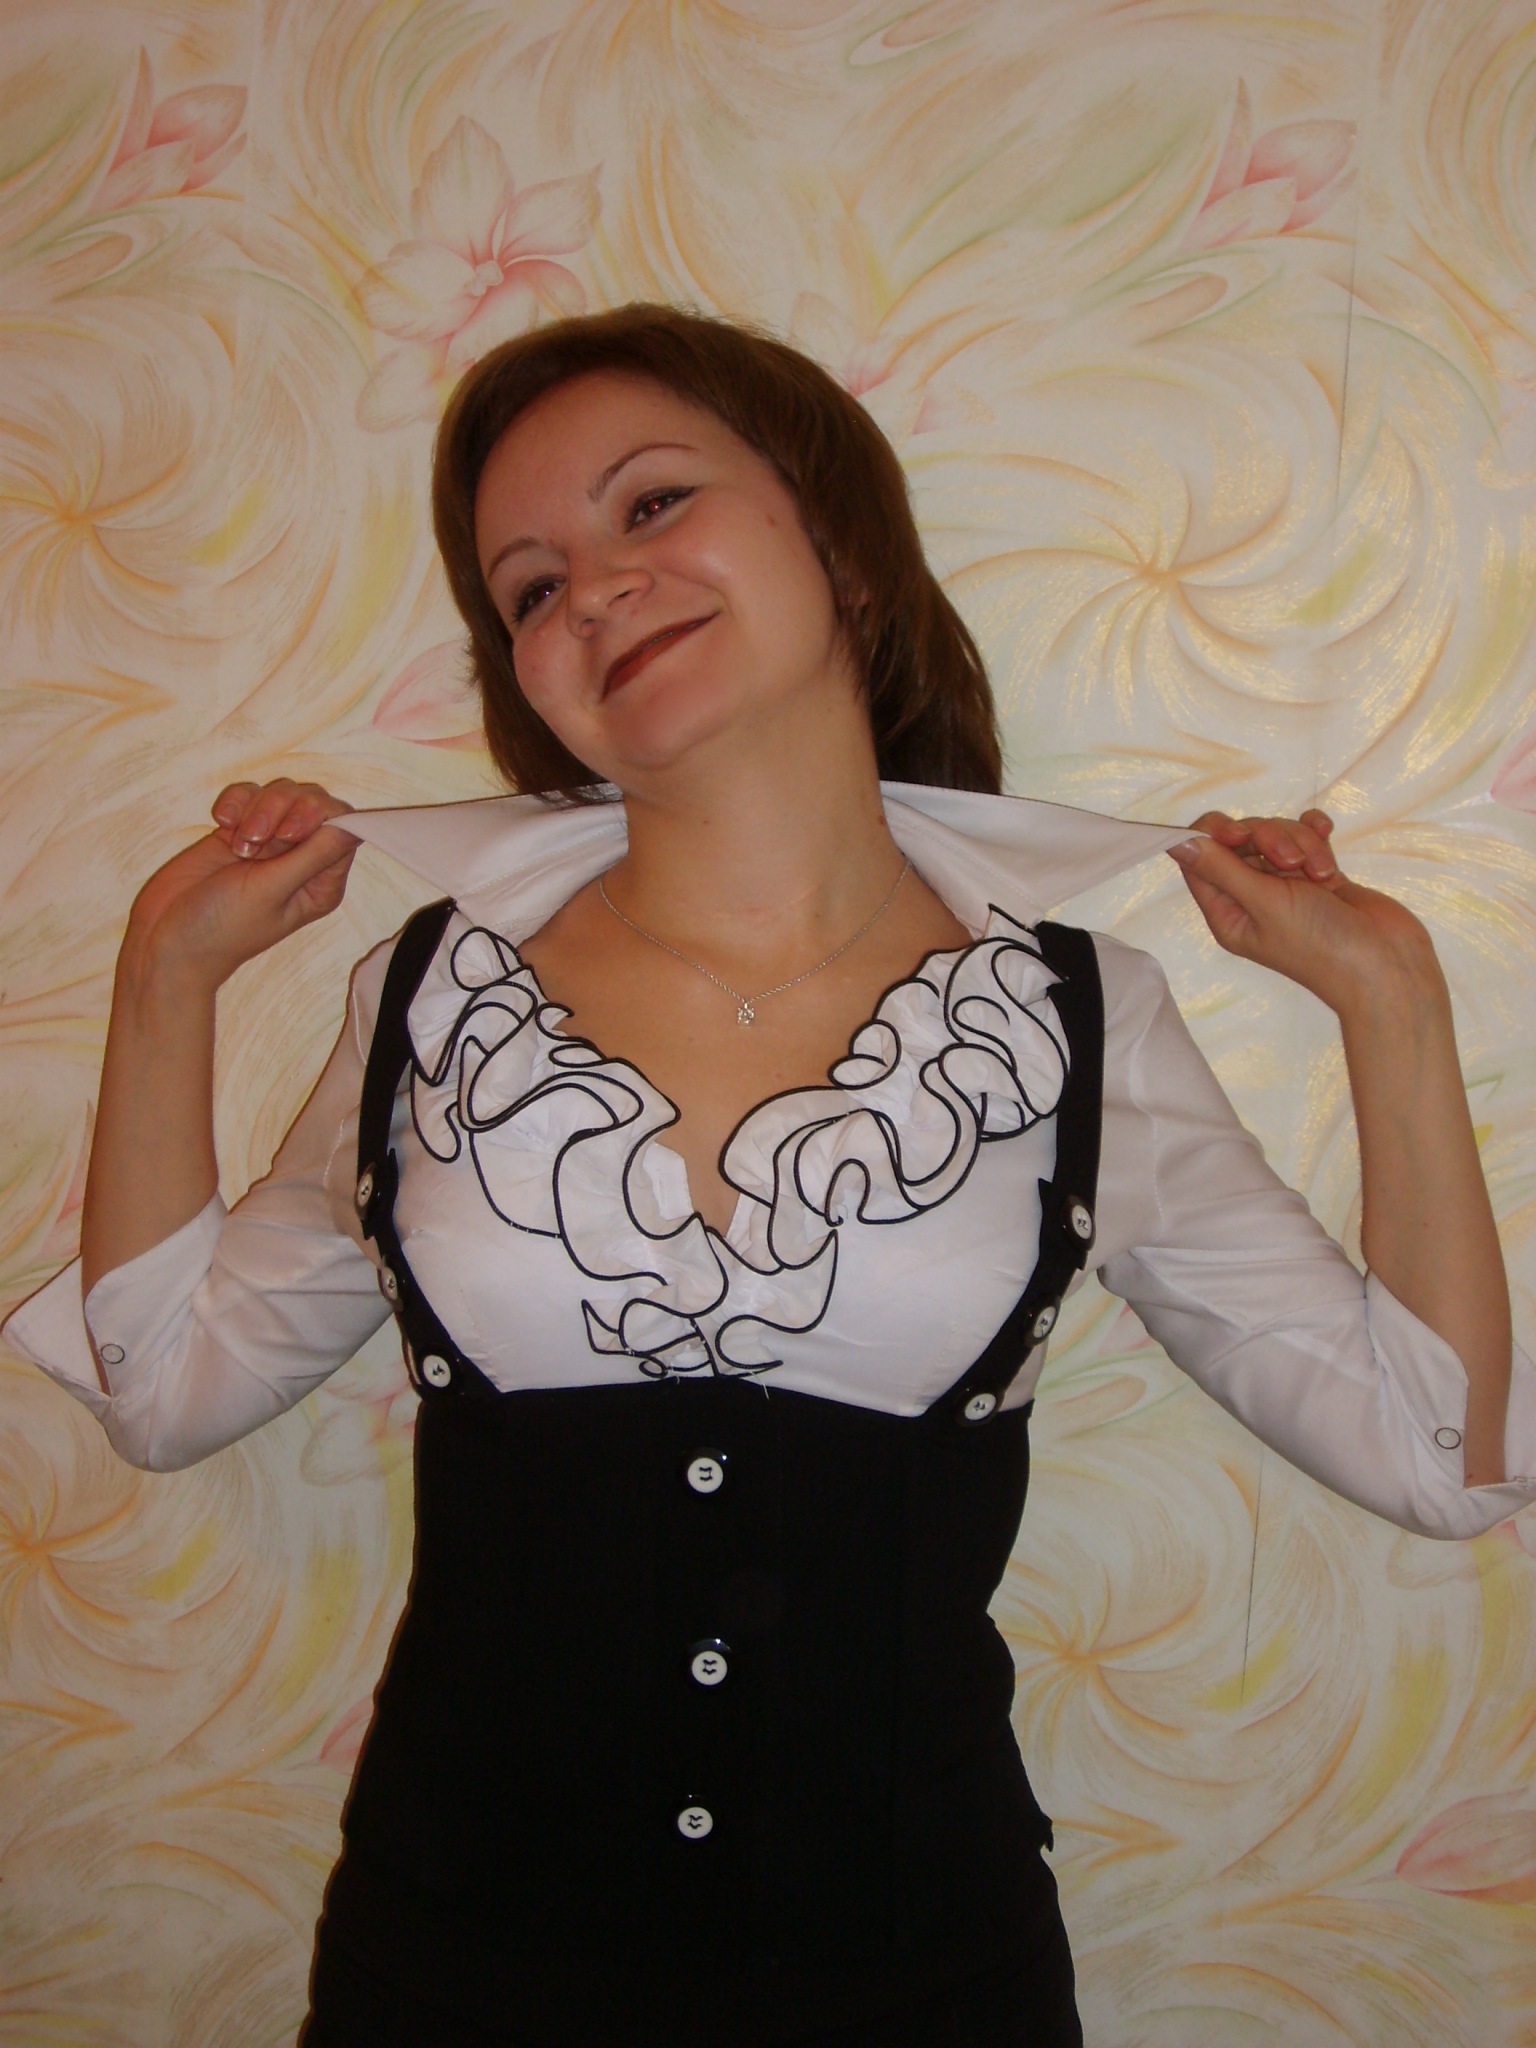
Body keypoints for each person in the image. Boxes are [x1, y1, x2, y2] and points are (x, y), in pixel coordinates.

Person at [5, 303, 1533, 2048]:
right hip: (452, 1987)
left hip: (923, 1989)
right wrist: (166, 981)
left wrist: (1391, 1004)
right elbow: (164, 1388)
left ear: (845, 546)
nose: (594, 588)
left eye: (652, 504)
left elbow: (1438, 1452)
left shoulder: (1074, 1023)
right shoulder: (432, 1002)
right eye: (528, 587)